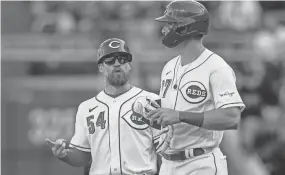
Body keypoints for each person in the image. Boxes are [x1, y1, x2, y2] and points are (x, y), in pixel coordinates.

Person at [146, 0, 246, 174]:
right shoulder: (169, 66)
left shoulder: (216, 67)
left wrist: (180, 116)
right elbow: (170, 114)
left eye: (169, 24)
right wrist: (154, 114)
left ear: (184, 28)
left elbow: (231, 118)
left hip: (200, 162)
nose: (163, 30)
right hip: (168, 164)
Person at [46, 38, 159, 175]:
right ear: (100, 67)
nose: (117, 63)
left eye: (122, 59)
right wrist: (64, 154)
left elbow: (164, 151)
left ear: (129, 65)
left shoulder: (151, 101)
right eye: (110, 60)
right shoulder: (86, 107)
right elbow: (83, 155)